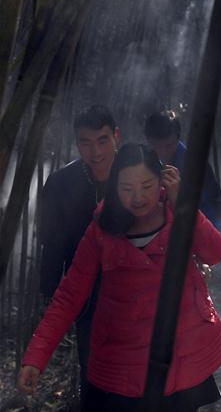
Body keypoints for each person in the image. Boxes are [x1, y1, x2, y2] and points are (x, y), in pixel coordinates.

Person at [19, 143, 221, 411]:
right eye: (127, 188)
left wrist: (186, 208)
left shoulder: (178, 216)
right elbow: (70, 295)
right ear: (114, 187)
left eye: (146, 186)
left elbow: (216, 252)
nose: (138, 197)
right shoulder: (102, 228)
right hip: (122, 363)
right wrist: (36, 356)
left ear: (162, 182)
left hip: (179, 358)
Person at [39, 105, 120, 407]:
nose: (95, 152)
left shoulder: (136, 175)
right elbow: (52, 242)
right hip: (87, 294)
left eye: (102, 140)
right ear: (77, 143)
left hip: (138, 288)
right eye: (86, 143)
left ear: (116, 137)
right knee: (93, 367)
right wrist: (48, 291)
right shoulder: (61, 184)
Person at [144, 108, 221, 268]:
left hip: (194, 226)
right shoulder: (141, 161)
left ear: (177, 138)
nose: (163, 152)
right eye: (157, 146)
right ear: (148, 141)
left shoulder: (193, 163)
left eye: (168, 145)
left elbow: (214, 208)